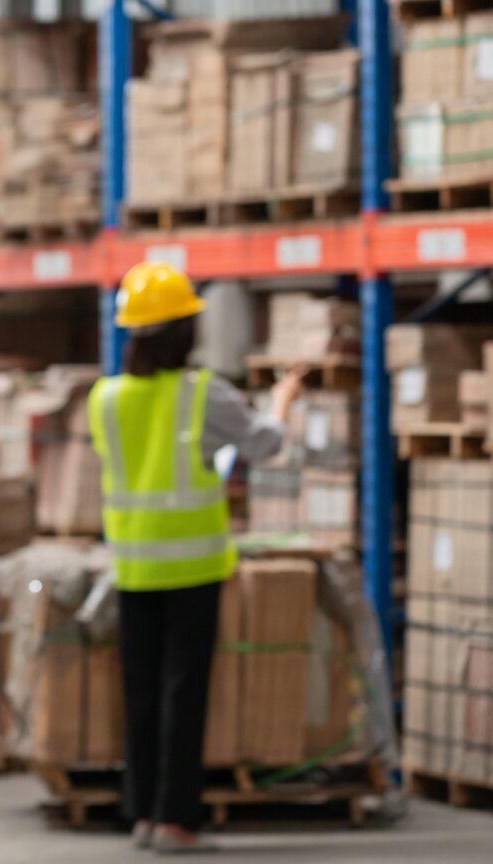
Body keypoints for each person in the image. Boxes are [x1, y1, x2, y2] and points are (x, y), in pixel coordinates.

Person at [89, 262, 303, 855]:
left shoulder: (104, 399)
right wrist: (282, 400)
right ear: (185, 332)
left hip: (131, 567)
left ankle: (144, 815)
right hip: (191, 570)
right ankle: (175, 820)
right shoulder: (203, 395)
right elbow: (265, 443)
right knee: (183, 696)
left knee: (141, 694)